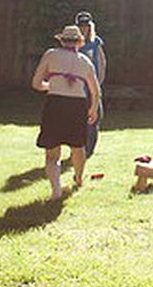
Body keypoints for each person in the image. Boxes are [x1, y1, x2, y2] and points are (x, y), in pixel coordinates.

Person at [30, 25, 101, 200]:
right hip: (77, 105)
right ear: (80, 42)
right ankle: (78, 178)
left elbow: (36, 83)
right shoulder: (85, 61)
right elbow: (95, 91)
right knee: (78, 146)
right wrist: (93, 109)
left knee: (52, 152)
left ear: (62, 41)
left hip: (55, 104)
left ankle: (56, 191)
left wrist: (50, 85)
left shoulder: (51, 55)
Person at [75, 11, 107, 158]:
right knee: (78, 117)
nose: (84, 29)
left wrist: (99, 81)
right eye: (81, 26)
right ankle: (78, 147)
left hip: (92, 84)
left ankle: (89, 149)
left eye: (86, 26)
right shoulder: (73, 42)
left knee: (95, 116)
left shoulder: (96, 42)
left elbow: (101, 61)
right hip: (78, 86)